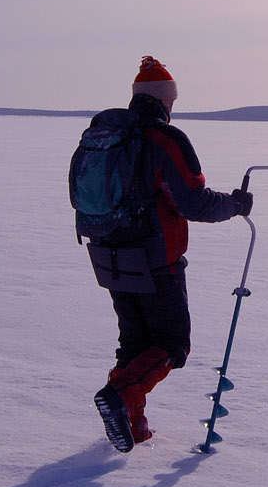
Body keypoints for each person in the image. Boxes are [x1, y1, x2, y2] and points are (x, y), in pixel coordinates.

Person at [91, 55, 252, 452]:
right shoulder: (165, 139)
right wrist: (235, 205)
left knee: (135, 345)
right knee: (172, 343)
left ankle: (134, 426)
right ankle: (121, 395)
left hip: (108, 255)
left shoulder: (109, 135)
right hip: (155, 262)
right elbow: (193, 202)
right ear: (165, 100)